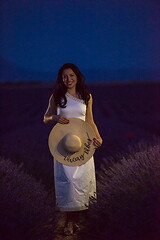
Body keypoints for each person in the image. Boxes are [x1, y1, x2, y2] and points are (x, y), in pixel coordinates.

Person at [43, 63, 102, 235]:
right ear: (61, 79)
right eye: (64, 76)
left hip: (82, 144)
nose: (68, 79)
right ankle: (69, 222)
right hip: (64, 145)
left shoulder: (86, 96)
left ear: (77, 76)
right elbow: (45, 118)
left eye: (71, 76)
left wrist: (97, 137)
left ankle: (74, 220)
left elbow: (90, 121)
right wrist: (55, 117)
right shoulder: (57, 96)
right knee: (68, 182)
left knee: (80, 182)